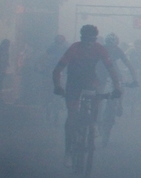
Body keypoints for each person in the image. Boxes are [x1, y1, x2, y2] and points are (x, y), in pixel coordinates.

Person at [51, 24, 122, 152]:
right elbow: (57, 69)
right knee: (72, 115)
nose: (89, 43)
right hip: (73, 82)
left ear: (95, 39)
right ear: (81, 38)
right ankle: (68, 146)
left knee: (98, 97)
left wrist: (117, 87)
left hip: (91, 80)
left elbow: (111, 69)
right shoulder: (74, 48)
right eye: (86, 39)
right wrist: (57, 86)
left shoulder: (100, 49)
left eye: (92, 40)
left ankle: (93, 124)